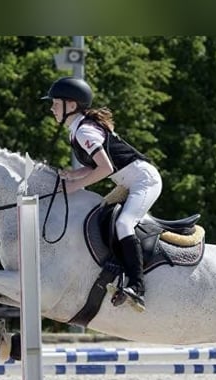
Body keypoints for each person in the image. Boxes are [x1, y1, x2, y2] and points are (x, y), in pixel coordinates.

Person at [42, 76, 162, 311]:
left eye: (56, 103)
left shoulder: (84, 132)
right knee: (101, 217)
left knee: (125, 224)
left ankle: (137, 287)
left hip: (143, 182)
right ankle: (115, 269)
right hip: (127, 181)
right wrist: (72, 175)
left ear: (71, 106)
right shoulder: (77, 130)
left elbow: (105, 169)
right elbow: (97, 166)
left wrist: (74, 187)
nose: (52, 108)